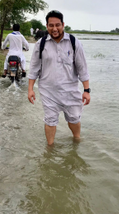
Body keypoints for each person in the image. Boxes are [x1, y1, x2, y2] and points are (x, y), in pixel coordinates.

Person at [28, 10, 90, 145]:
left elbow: (82, 68)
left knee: (74, 118)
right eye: (51, 25)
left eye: (57, 25)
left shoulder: (74, 42)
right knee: (50, 120)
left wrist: (87, 90)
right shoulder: (41, 44)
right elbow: (34, 68)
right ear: (47, 26)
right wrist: (30, 89)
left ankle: (76, 141)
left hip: (70, 90)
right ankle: (49, 149)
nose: (54, 29)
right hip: (48, 90)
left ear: (63, 25)